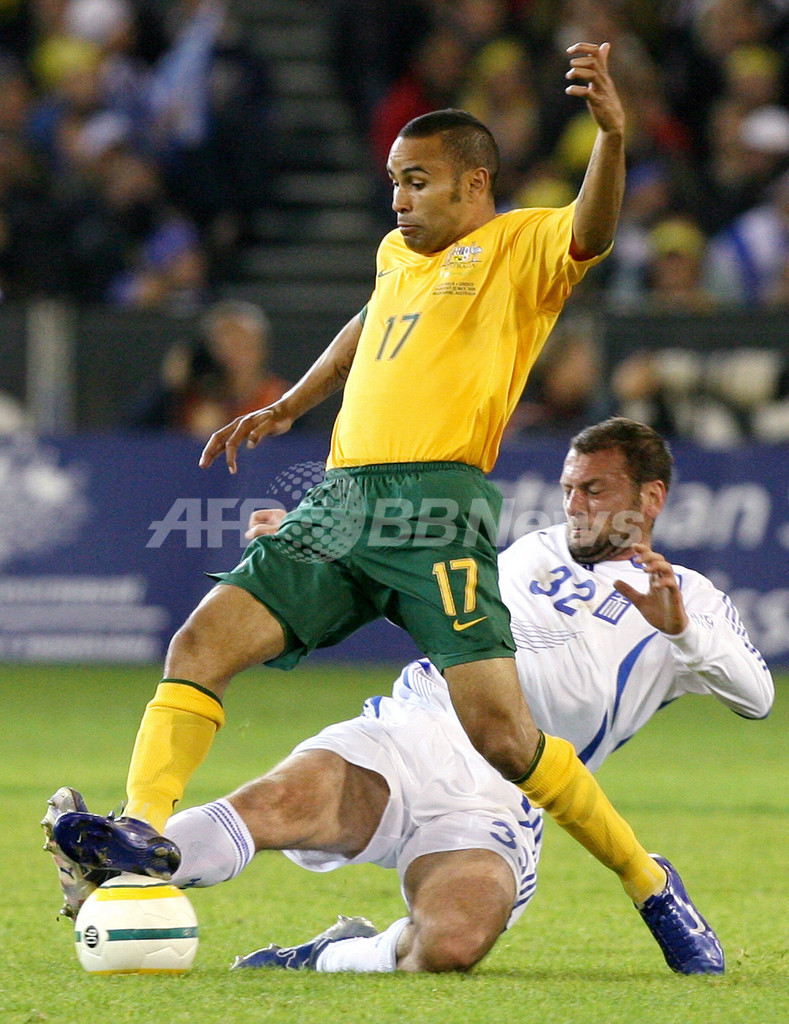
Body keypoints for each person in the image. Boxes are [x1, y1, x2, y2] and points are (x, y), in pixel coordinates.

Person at [52, 42, 691, 962]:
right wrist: (285, 405)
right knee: (200, 642)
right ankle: (138, 832)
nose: (398, 199)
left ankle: (647, 883)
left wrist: (611, 141)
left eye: (418, 181)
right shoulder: (399, 254)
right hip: (341, 502)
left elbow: (591, 225)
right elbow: (365, 325)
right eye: (394, 181)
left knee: (507, 739)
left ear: (475, 184)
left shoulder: (516, 248)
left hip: (435, 507)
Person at [44, 419, 773, 974]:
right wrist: (310, 545)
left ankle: (331, 956)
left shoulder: (693, 601)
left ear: (650, 497)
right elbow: (433, 616)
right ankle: (126, 855)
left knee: (452, 945)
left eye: (594, 490)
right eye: (568, 489)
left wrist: (682, 633)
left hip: (507, 797)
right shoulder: (526, 551)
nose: (575, 505)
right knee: (270, 807)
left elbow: (757, 698)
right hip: (414, 730)